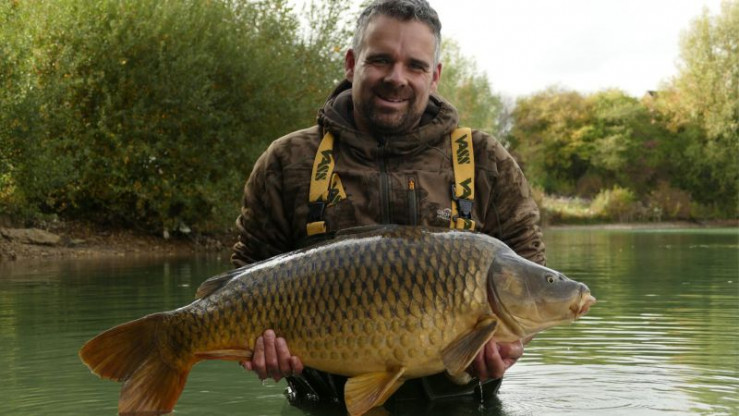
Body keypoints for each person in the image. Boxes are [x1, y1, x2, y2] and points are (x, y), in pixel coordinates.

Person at [231, 0, 545, 407]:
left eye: (415, 66)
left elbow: (528, 277)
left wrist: (513, 343)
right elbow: (247, 274)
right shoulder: (290, 160)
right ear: (351, 63)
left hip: (463, 406)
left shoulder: (484, 160)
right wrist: (260, 349)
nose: (397, 78)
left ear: (434, 76)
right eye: (380, 60)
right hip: (322, 407)